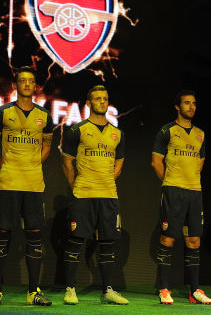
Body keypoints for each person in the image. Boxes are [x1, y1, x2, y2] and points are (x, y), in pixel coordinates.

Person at [0, 66, 53, 306]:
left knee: (34, 236)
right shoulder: (2, 112)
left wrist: (32, 164)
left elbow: (47, 146)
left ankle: (34, 292)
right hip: (9, 183)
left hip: (34, 184)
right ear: (15, 85)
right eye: (22, 80)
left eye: (30, 81)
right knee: (2, 234)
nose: (26, 84)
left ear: (35, 86)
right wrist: (8, 166)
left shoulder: (44, 115)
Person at [61, 85, 128, 305]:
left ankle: (107, 290)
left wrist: (104, 181)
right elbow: (67, 163)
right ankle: (70, 289)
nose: (102, 102)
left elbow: (119, 166)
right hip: (83, 194)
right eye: (98, 99)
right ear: (89, 103)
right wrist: (77, 187)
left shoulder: (118, 134)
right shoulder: (77, 130)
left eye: (105, 99)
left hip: (108, 195)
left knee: (107, 242)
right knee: (75, 241)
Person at [151, 89, 211, 305]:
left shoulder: (200, 134)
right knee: (168, 239)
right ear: (177, 106)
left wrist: (189, 180)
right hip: (173, 190)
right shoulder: (167, 130)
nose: (191, 107)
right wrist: (170, 181)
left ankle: (194, 290)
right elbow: (156, 162)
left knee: (194, 240)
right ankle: (163, 288)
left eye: (194, 103)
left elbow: (200, 163)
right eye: (187, 103)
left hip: (194, 191)